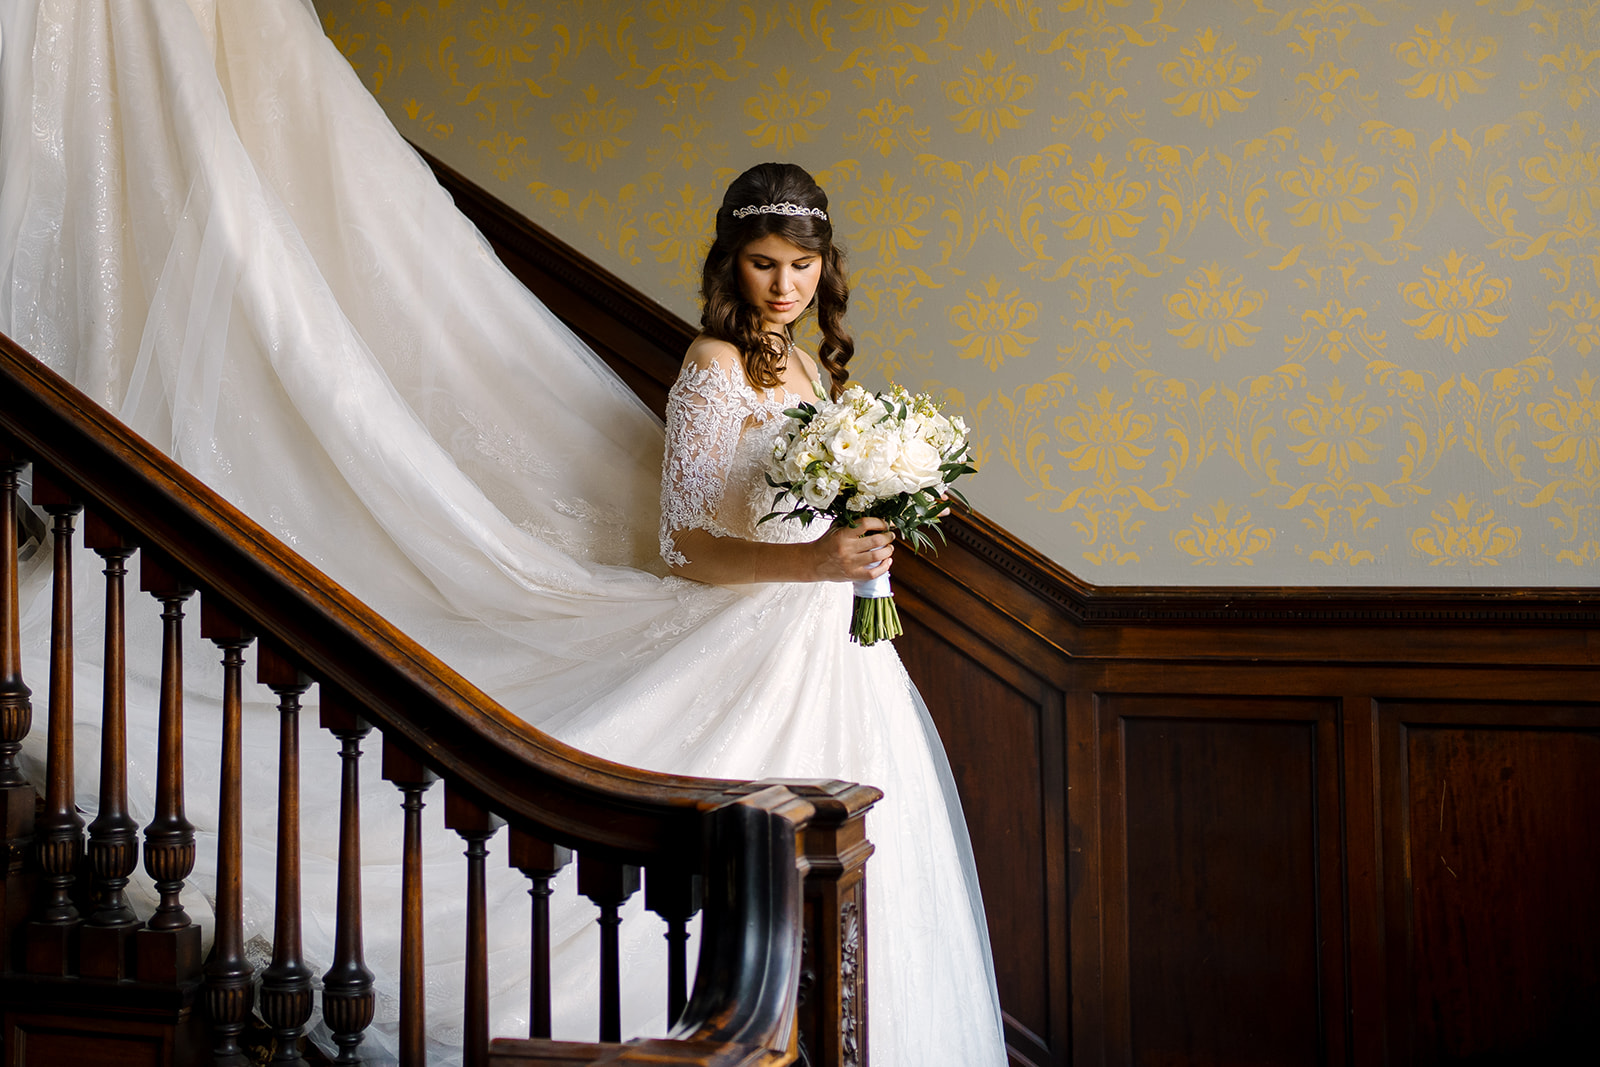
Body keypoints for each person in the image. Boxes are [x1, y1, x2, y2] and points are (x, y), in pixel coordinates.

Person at [0, 1, 1007, 1063]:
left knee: (852, 855)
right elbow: (686, 548)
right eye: (764, 264)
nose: (784, 285)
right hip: (756, 625)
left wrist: (869, 523)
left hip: (833, 646)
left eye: (801, 268)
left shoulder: (811, 369)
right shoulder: (707, 371)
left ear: (823, 271)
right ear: (731, 264)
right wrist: (812, 562)